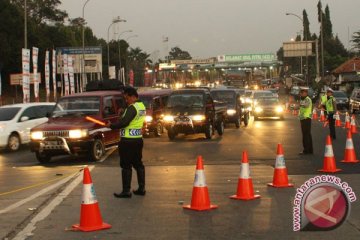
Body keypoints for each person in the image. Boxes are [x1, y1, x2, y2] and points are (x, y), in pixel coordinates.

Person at [108, 86, 146, 198]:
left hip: (128, 141)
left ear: (133, 96)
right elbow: (130, 119)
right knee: (138, 164)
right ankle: (141, 188)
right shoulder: (141, 106)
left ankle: (126, 191)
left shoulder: (132, 108)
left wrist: (112, 126)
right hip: (138, 139)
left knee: (126, 165)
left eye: (127, 98)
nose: (126, 100)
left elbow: (124, 123)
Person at [298, 87, 313, 155]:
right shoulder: (302, 99)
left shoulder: (307, 99)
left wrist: (300, 104)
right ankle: (309, 150)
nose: (301, 94)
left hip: (306, 118)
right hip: (303, 118)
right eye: (301, 93)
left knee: (306, 135)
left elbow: (306, 106)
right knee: (306, 135)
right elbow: (300, 107)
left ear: (306, 93)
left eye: (303, 93)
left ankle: (306, 150)